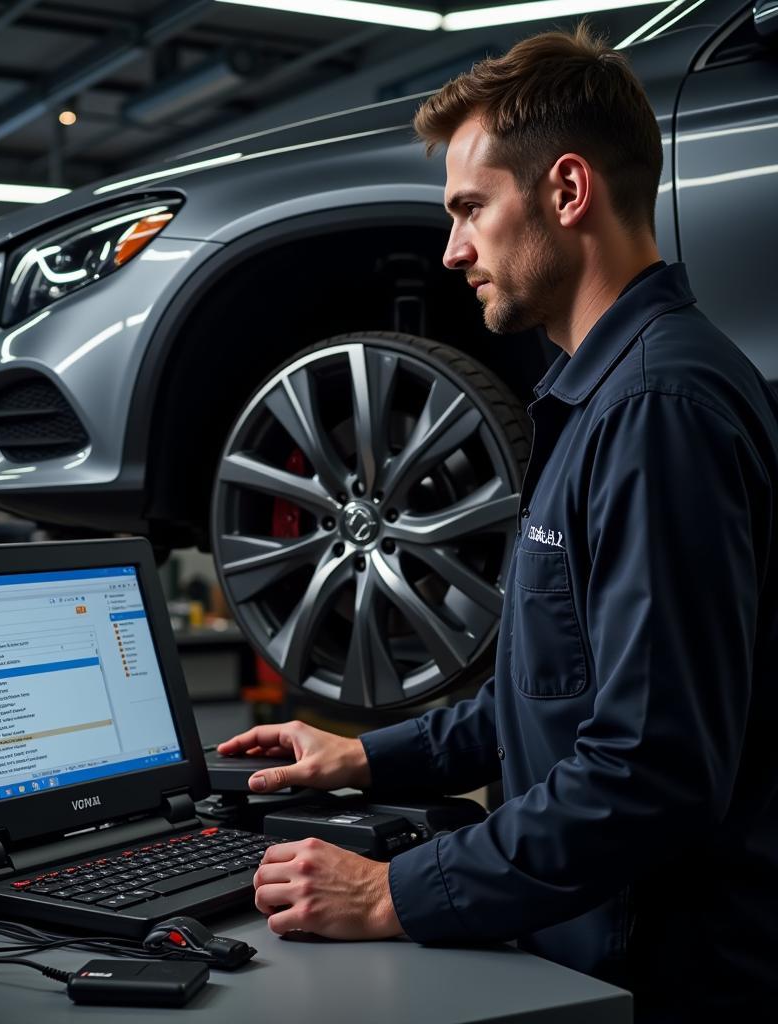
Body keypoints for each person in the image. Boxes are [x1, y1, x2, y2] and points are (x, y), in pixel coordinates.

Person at [217, 23, 778, 1021]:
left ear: (566, 193)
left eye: (471, 209)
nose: (452, 250)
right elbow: (556, 691)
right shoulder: (598, 400)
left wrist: (394, 892)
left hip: (666, 977)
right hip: (599, 947)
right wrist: (360, 753)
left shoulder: (658, 410)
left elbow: (648, 770)